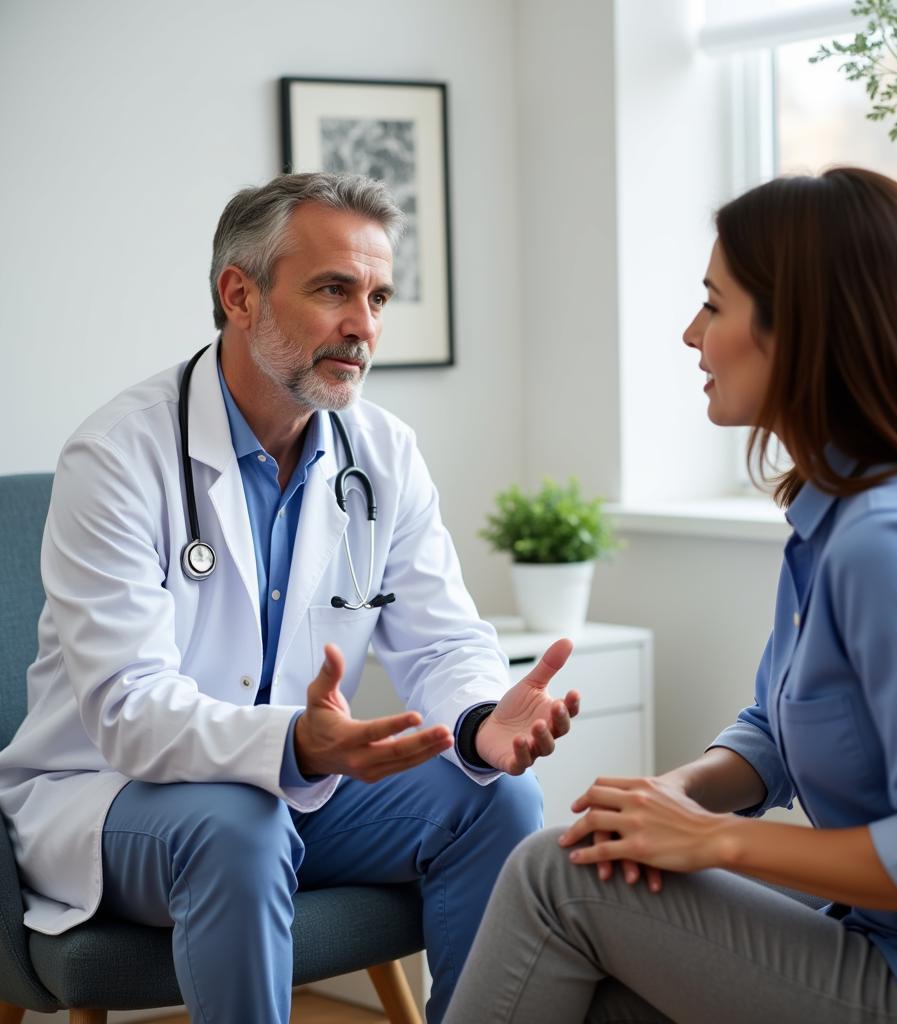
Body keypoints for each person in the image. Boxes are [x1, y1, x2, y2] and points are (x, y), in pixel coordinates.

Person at [444, 167, 897, 1024]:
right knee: (600, 973)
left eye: (714, 305)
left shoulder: (893, 544)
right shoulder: (838, 521)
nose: (691, 334)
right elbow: (781, 734)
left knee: (554, 877)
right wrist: (671, 801)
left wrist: (715, 841)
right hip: (885, 941)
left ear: (804, 329)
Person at [0, 171, 581, 1024]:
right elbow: (128, 708)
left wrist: (478, 722)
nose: (365, 326)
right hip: (113, 794)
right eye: (334, 290)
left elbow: (445, 642)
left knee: (497, 798)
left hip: (295, 787)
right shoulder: (119, 457)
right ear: (240, 294)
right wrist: (300, 747)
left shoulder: (383, 452)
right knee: (240, 827)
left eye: (379, 297)